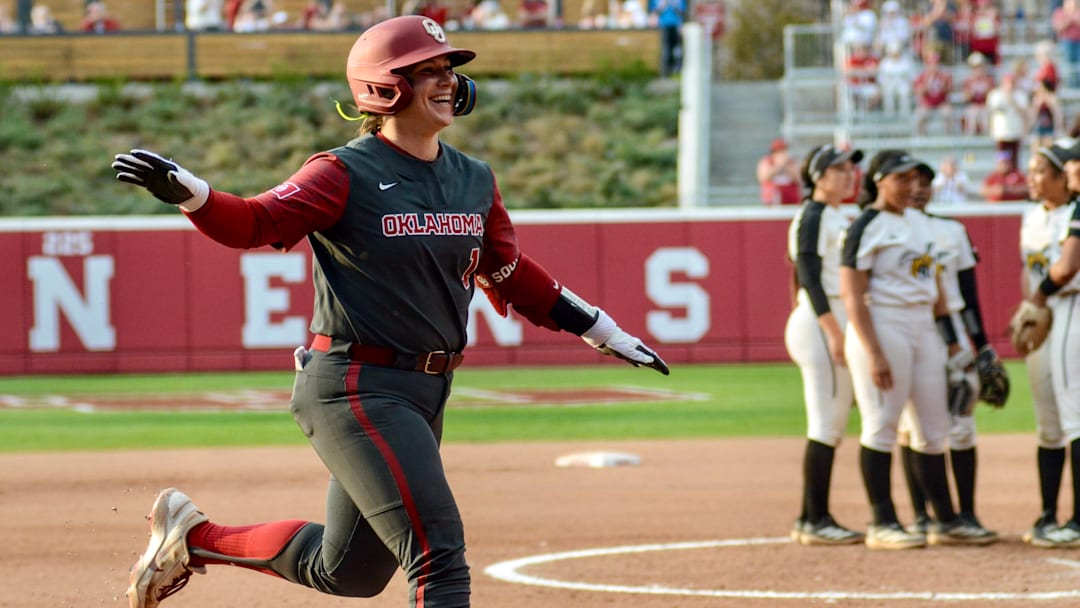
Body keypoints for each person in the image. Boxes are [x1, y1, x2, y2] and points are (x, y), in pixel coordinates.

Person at [112, 16, 669, 608]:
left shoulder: (473, 179)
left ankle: (192, 538)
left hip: (426, 389)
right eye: (427, 71)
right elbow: (256, 222)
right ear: (382, 88)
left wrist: (599, 328)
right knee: (438, 552)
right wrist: (192, 194)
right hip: (355, 386)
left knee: (347, 572)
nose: (447, 81)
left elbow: (508, 272)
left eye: (449, 70)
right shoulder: (343, 172)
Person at [842, 149, 992, 549]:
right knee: (882, 424)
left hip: (925, 325)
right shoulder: (865, 226)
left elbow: (938, 289)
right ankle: (882, 521)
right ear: (879, 181)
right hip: (884, 323)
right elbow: (852, 296)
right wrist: (872, 351)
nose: (912, 187)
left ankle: (943, 520)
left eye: (916, 179)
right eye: (901, 179)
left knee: (933, 428)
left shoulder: (919, 224)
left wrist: (955, 343)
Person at [895, 160, 1000, 543]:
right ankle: (922, 515)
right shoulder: (888, 228)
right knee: (911, 426)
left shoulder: (951, 230)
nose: (919, 188)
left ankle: (965, 514)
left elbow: (969, 295)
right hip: (908, 326)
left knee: (962, 424)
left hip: (952, 329)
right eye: (911, 181)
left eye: (925, 181)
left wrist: (982, 344)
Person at [785, 144, 865, 546]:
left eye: (851, 168)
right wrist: (834, 332)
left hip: (831, 320)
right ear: (818, 176)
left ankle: (810, 517)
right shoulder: (812, 215)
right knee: (826, 425)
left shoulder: (838, 214)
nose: (849, 174)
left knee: (831, 425)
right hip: (823, 321)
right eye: (838, 169)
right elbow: (809, 278)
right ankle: (817, 519)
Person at [1017, 142, 1080, 547]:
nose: (1034, 177)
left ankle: (1075, 520)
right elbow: (1031, 271)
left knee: (1075, 417)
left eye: (1044, 170)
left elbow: (1066, 267)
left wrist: (1035, 301)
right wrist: (1030, 313)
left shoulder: (1073, 212)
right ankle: (1047, 514)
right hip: (1049, 317)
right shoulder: (1030, 218)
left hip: (1069, 305)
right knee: (1051, 422)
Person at [986, 73, 1030, 171]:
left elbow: (1024, 112)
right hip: (1001, 133)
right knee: (1002, 159)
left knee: (1014, 160)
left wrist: (1012, 100)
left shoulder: (1020, 95)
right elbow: (993, 110)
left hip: (1015, 132)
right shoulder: (996, 95)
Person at [914, 51, 954, 135]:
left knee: (948, 113)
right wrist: (927, 84)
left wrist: (943, 87)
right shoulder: (922, 76)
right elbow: (918, 92)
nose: (934, 66)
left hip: (941, 102)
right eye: (931, 63)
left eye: (936, 63)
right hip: (927, 103)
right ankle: (922, 137)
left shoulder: (945, 75)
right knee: (920, 115)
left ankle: (949, 136)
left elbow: (950, 89)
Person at [757, 138, 802, 206]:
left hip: (791, 197)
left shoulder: (792, 162)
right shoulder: (766, 161)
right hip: (772, 198)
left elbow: (799, 179)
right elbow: (763, 178)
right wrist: (778, 166)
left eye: (783, 150)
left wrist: (786, 166)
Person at [960, 51, 995, 135]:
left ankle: (987, 138)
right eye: (975, 67)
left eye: (980, 67)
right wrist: (972, 93)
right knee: (973, 115)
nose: (978, 70)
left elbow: (992, 97)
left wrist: (986, 92)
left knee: (985, 116)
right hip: (973, 106)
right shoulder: (968, 81)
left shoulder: (989, 80)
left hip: (985, 105)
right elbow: (966, 97)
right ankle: (970, 139)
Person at [649, 0, 684, 78]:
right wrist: (662, 6)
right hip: (663, 26)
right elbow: (653, 13)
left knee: (677, 49)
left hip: (676, 26)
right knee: (665, 49)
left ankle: (677, 71)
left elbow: (682, 12)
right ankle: (665, 73)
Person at [1030, 78, 1064, 156]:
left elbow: (1057, 114)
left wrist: (1058, 127)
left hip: (1048, 126)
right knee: (1036, 149)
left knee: (1048, 149)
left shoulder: (1052, 98)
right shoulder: (1037, 99)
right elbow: (1033, 114)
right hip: (1038, 125)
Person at [879, 42, 915, 116]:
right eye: (893, 53)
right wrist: (883, 86)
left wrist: (911, 86)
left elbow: (912, 76)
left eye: (897, 53)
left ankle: (905, 115)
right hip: (889, 85)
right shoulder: (885, 63)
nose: (895, 55)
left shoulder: (906, 62)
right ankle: (889, 115)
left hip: (903, 84)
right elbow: (881, 78)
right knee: (888, 93)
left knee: (905, 92)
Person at [845, 43, 882, 113]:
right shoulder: (852, 60)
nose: (861, 52)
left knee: (877, 93)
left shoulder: (872, 59)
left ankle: (867, 111)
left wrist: (861, 70)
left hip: (868, 84)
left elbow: (876, 69)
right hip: (854, 85)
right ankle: (855, 112)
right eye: (858, 50)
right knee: (846, 91)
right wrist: (863, 70)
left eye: (863, 50)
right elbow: (847, 71)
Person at [1052, 0, 1080, 88]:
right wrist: (1069, 20)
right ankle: (1071, 86)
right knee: (1069, 65)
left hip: (1078, 41)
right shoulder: (1059, 12)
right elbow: (1057, 28)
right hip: (1067, 42)